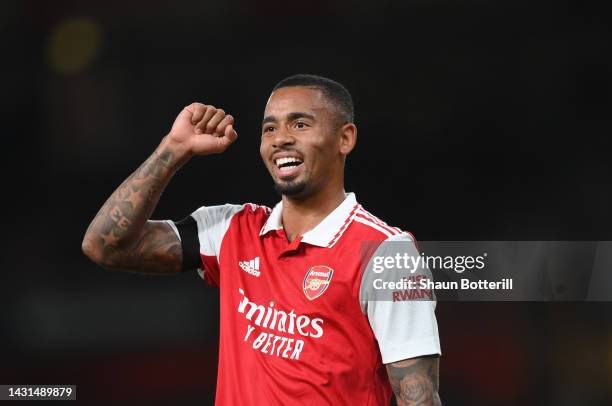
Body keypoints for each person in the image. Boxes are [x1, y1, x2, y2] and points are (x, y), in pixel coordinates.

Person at [82, 74, 441, 405]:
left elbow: (418, 397)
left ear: (344, 138)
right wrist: (174, 148)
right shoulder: (230, 230)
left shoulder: (386, 253)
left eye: (300, 124)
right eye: (269, 129)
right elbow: (105, 246)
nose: (281, 138)